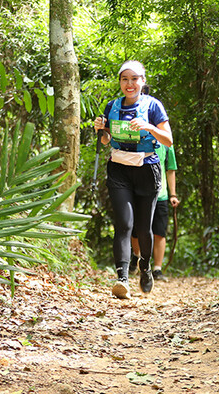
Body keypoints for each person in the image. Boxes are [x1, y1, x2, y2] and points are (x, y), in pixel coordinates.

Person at [93, 60, 173, 299]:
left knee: (143, 227)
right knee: (124, 224)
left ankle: (145, 267)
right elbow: (106, 141)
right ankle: (122, 279)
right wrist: (101, 129)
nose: (129, 84)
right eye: (125, 79)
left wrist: (148, 127)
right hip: (119, 169)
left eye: (134, 79)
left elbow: (168, 140)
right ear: (120, 82)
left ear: (142, 81)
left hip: (147, 169)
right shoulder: (112, 106)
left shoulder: (153, 106)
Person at [129, 144, 179, 282]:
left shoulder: (167, 144)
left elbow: (170, 169)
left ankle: (157, 268)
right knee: (136, 230)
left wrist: (173, 194)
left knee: (160, 232)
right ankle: (136, 256)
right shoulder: (139, 137)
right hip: (140, 192)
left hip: (160, 195)